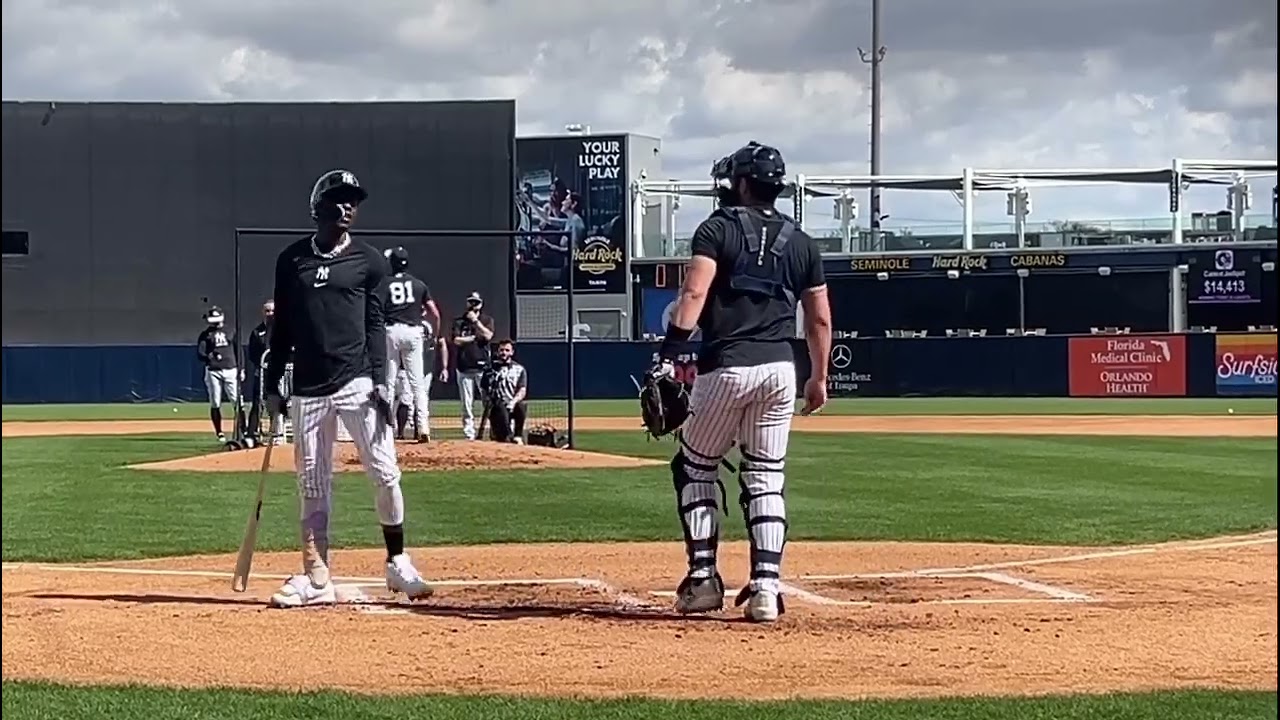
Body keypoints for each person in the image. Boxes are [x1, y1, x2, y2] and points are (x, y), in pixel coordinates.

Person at [650, 141, 831, 623]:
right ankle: (767, 590)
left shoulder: (716, 229)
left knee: (695, 466)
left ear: (744, 183)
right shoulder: (803, 242)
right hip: (779, 370)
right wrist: (819, 377)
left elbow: (694, 291)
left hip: (727, 365)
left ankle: (704, 579)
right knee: (767, 475)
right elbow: (818, 320)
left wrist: (668, 354)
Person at [263, 168, 433, 609]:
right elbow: (282, 328)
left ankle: (398, 562)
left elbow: (375, 322)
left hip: (359, 381)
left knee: (384, 471)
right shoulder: (292, 260)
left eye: (353, 200)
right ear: (318, 207)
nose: (347, 207)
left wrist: (381, 379)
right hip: (308, 388)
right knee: (313, 483)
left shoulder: (370, 261)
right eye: (339, 199)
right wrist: (272, 385)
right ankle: (317, 578)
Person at [380, 246, 440, 444]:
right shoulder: (419, 284)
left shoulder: (385, 283)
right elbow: (435, 313)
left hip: (391, 331)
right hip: (414, 331)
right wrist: (435, 336)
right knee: (418, 384)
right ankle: (423, 427)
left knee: (388, 382)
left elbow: (376, 309)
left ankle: (385, 428)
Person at [450, 292, 496, 440]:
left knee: (487, 402)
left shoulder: (487, 320)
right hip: (464, 367)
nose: (473, 305)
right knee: (466, 404)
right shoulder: (459, 322)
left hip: (482, 368)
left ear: (481, 304)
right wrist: (473, 338)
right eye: (471, 302)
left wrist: (476, 322)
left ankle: (493, 431)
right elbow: (456, 340)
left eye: (476, 302)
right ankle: (469, 434)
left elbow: (488, 336)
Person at [195, 305, 243, 442]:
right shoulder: (206, 334)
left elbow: (238, 350)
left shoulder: (231, 331)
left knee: (237, 401)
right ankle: (219, 432)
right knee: (215, 401)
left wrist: (242, 368)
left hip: (230, 368)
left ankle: (242, 429)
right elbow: (200, 352)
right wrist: (210, 356)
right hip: (213, 370)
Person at [246, 300, 282, 441]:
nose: (270, 314)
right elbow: (252, 353)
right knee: (258, 402)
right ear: (263, 313)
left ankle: (277, 432)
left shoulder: (283, 331)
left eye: (272, 311)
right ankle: (252, 432)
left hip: (279, 373)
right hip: (262, 373)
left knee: (278, 402)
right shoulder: (257, 332)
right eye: (267, 311)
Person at [484, 339, 528, 443]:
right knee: (499, 407)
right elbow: (484, 389)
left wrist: (513, 402)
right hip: (497, 406)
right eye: (502, 350)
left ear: (512, 352)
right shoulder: (490, 369)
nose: (504, 353)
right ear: (498, 351)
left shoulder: (519, 369)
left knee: (522, 405)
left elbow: (522, 389)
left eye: (507, 350)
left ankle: (518, 436)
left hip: (512, 403)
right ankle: (508, 436)